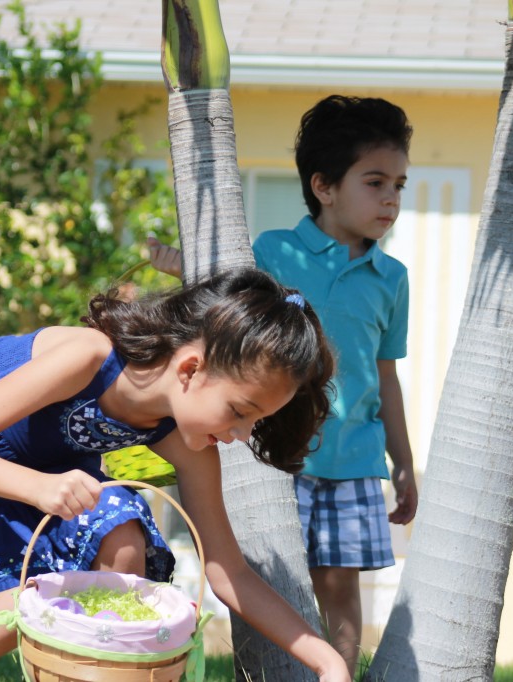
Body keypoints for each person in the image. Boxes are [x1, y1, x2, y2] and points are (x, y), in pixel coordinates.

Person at [0, 268, 350, 682]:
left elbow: (228, 572)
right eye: (239, 411)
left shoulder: (188, 441)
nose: (241, 433)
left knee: (120, 544)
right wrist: (39, 488)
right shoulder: (89, 357)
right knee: (49, 583)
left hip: (37, 469)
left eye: (254, 422)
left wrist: (324, 658)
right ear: (191, 370)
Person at [148, 94, 419, 677]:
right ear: (323, 186)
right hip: (277, 458)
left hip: (354, 460)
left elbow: (386, 375)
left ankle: (336, 672)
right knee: (276, 575)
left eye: (399, 183)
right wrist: (177, 263)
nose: (391, 198)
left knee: (340, 586)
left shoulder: (392, 278)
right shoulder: (275, 250)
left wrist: (403, 462)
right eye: (375, 182)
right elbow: (225, 290)